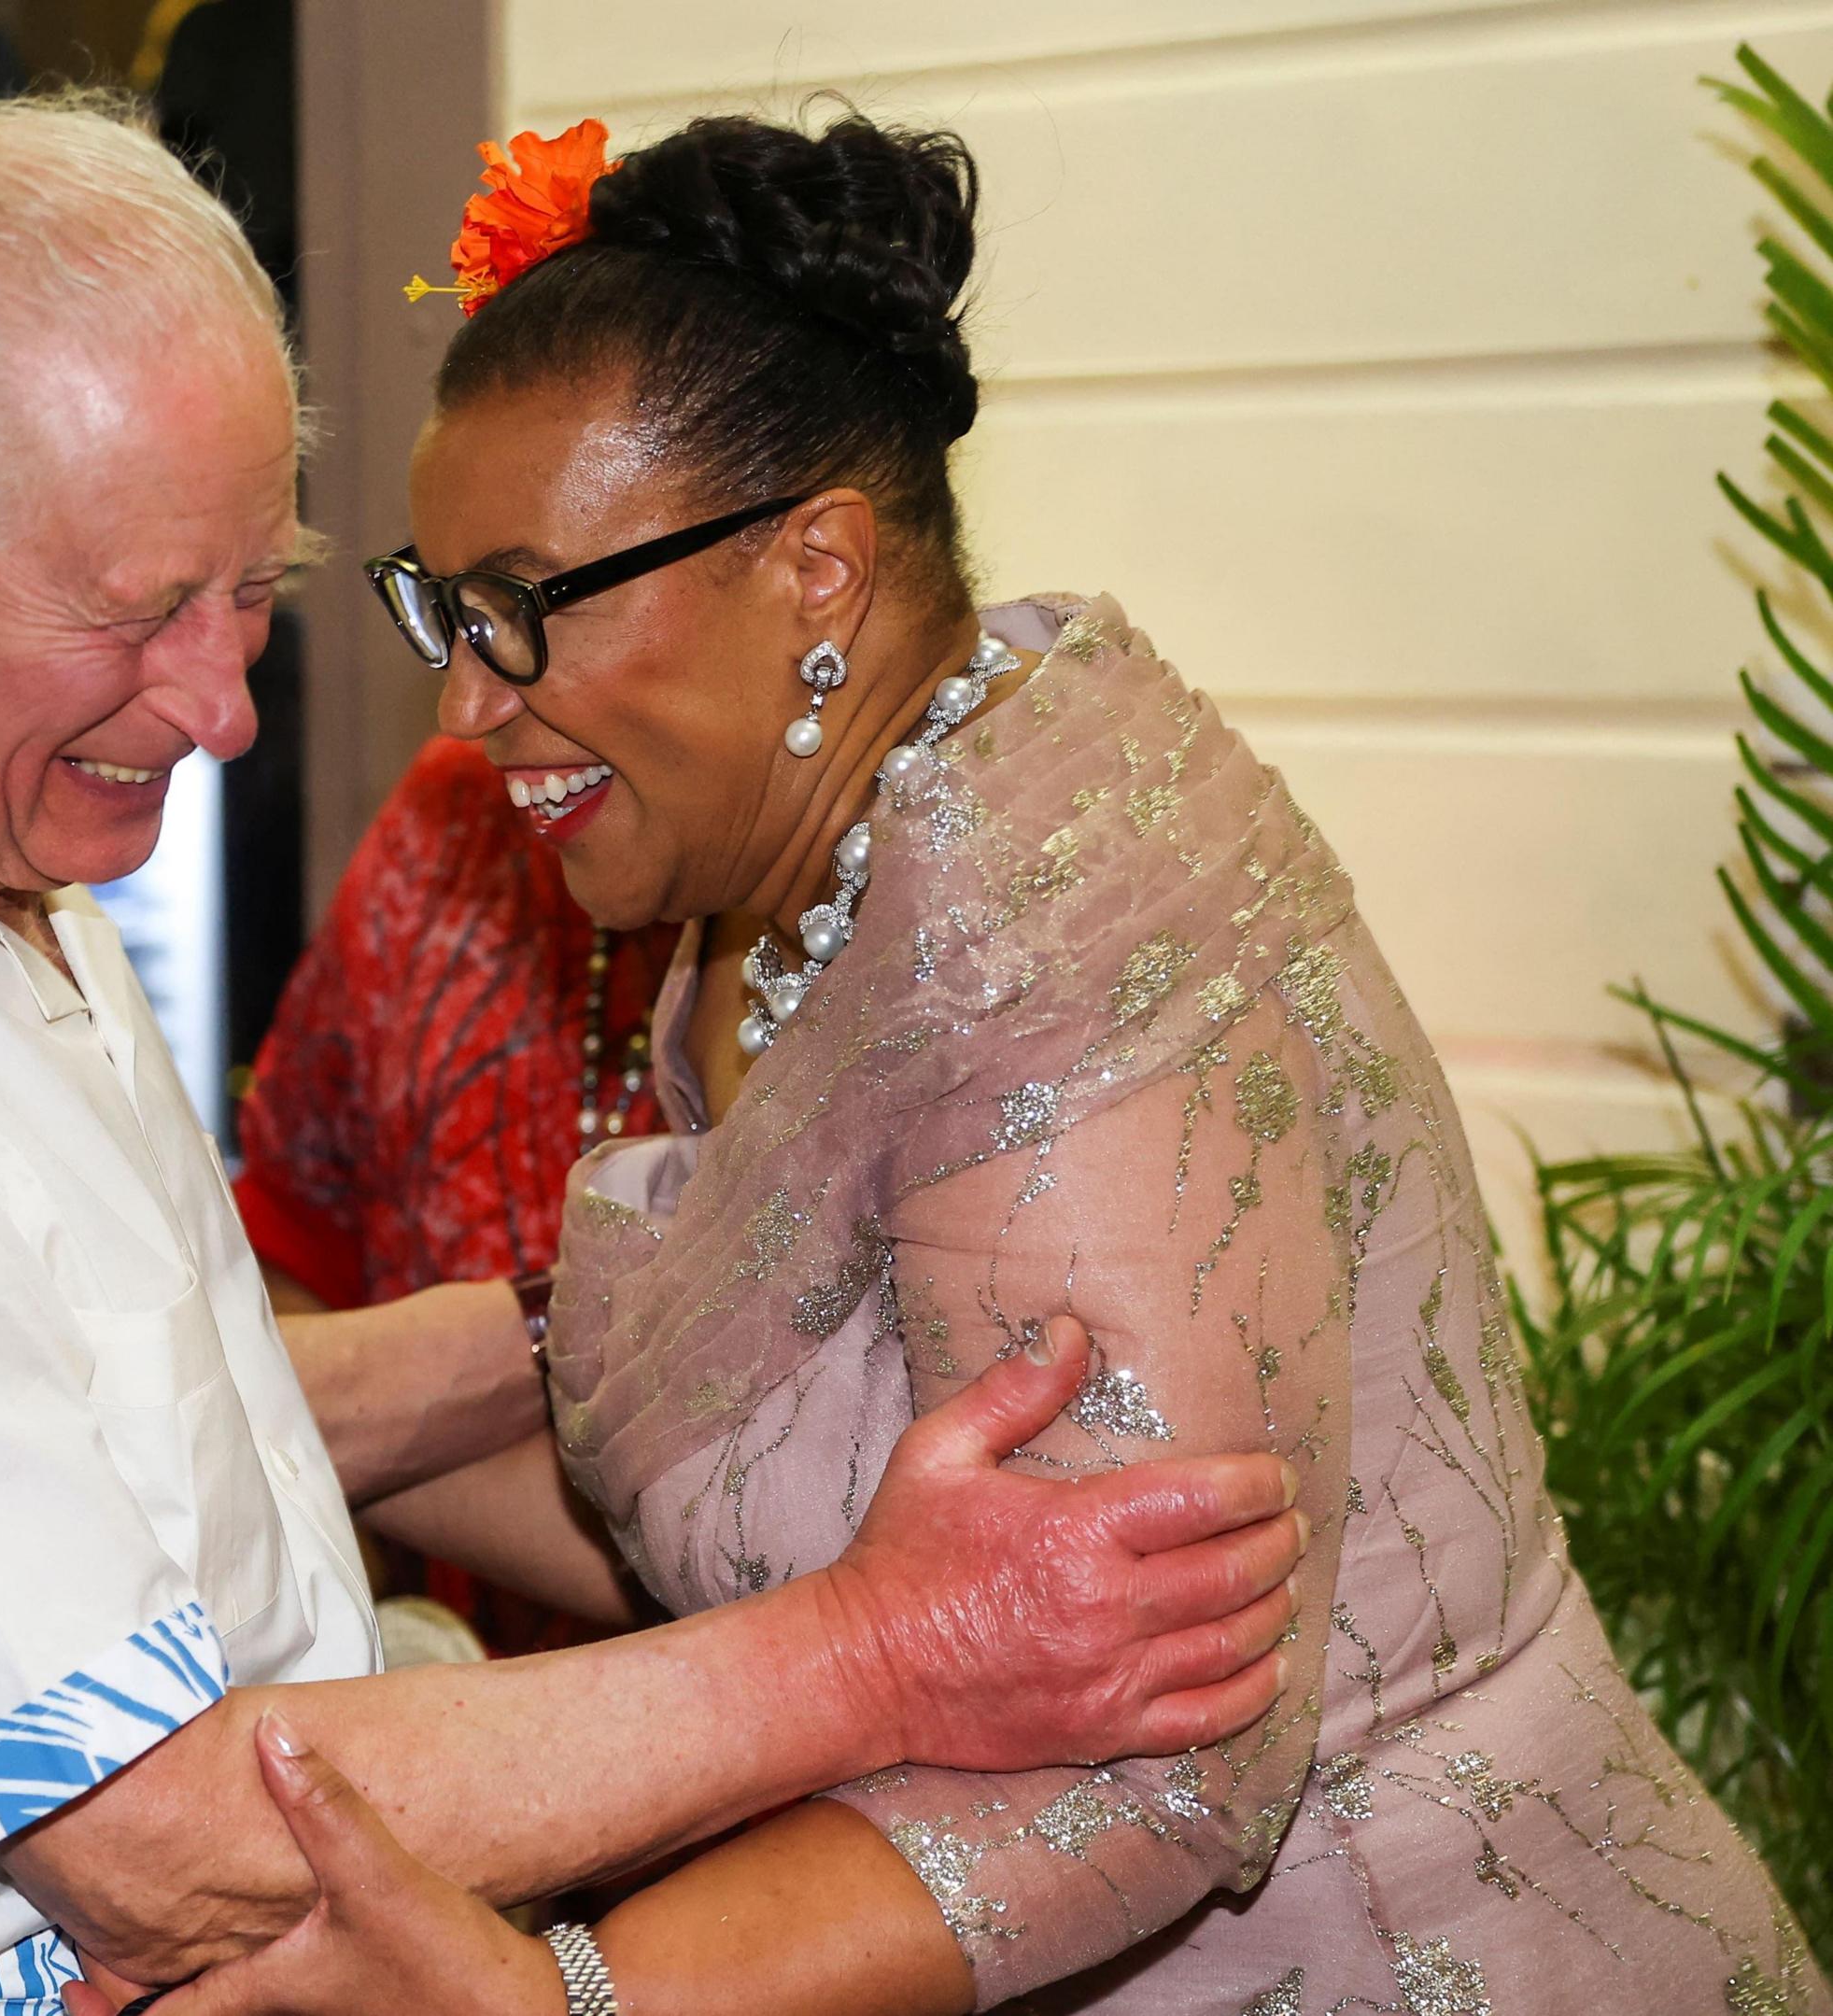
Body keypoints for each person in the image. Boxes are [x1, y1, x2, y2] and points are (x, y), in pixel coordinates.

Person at [0, 94, 1312, 2016]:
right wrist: (882, 1647)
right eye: (142, 612)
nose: (221, 710)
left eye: (254, 594)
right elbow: (160, 1843)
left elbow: (130, 1400)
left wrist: (647, 1324)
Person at [97, 114, 1828, 2015]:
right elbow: (806, 1529)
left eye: (519, 605)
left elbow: (1153, 1759)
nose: (465, 698)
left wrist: (562, 1994)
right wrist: (199, 1422)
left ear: (817, 569)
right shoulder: (785, 886)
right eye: (440, 607)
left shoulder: (1062, 956)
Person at [232, 734, 680, 1651]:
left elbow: (793, 1547)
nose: (466, 696)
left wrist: (278, 1425)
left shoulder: (901, 922)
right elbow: (290, 1235)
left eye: (534, 594)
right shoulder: (458, 815)